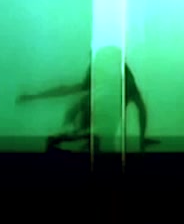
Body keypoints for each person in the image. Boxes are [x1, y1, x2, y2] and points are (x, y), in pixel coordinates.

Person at [17, 56, 154, 152]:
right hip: (89, 122)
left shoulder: (127, 86)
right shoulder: (119, 85)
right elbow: (66, 90)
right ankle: (75, 137)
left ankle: (76, 137)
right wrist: (35, 96)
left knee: (89, 135)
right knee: (86, 132)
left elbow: (141, 110)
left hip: (93, 125)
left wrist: (142, 138)